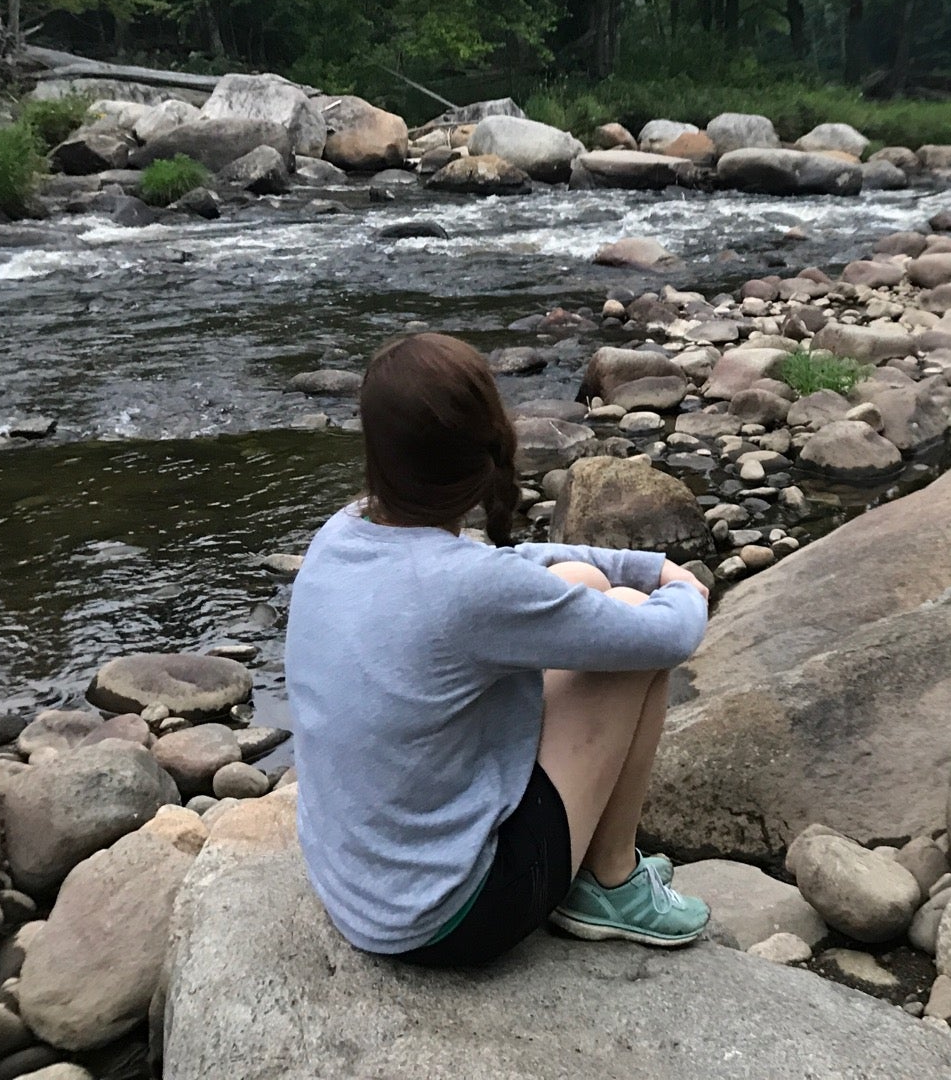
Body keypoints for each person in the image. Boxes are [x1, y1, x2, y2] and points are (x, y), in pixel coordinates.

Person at [284, 331, 712, 967]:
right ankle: (612, 882)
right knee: (629, 629)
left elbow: (512, 565)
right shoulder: (469, 589)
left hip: (357, 883)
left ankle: (594, 867)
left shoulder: (345, 529)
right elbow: (669, 636)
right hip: (446, 918)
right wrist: (681, 583)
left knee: (582, 583)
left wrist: (633, 562)